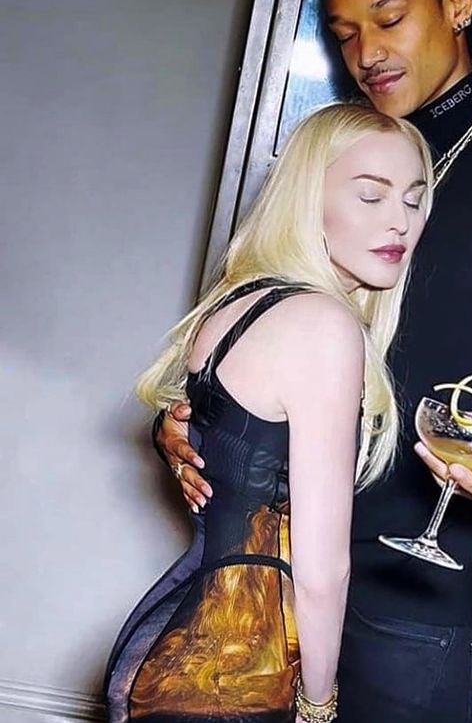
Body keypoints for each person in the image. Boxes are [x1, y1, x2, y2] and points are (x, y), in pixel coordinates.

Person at [153, 0, 472, 721]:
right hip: (275, 586)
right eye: (345, 33)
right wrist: (195, 424)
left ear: (457, 5)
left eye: (389, 17)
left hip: (425, 608)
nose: (366, 53)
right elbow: (258, 325)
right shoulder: (337, 158)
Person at [103, 104, 433, 723]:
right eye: (371, 196)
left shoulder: (240, 302)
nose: (401, 221)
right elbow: (321, 569)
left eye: (414, 199)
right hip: (230, 677)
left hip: (174, 649)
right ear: (307, 200)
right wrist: (319, 704)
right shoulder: (321, 326)